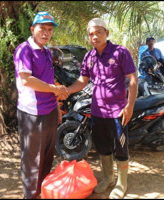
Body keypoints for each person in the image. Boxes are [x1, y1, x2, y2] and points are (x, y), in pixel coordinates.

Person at [66, 18, 138, 199]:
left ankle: (122, 183)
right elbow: (82, 81)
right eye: (91, 34)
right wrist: (65, 91)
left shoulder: (120, 52)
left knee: (120, 148)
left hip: (118, 112)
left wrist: (129, 105)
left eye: (98, 32)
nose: (94, 36)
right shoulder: (89, 57)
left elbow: (133, 79)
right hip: (98, 112)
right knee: (103, 147)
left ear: (107, 33)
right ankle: (108, 178)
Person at [13, 11, 69, 199]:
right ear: (32, 29)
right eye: (42, 28)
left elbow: (47, 79)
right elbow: (27, 80)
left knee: (46, 158)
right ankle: (30, 196)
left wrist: (57, 107)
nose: (46, 33)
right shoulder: (24, 50)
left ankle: (43, 193)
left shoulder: (46, 51)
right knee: (31, 162)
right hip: (31, 115)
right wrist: (55, 89)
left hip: (50, 112)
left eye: (49, 29)